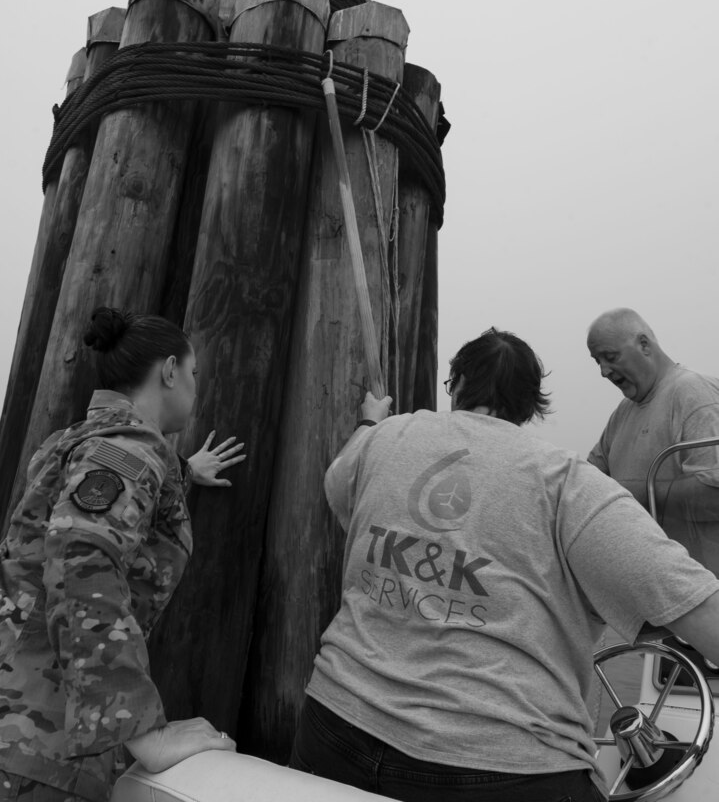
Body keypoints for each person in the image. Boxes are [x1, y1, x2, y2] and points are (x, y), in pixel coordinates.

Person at [290, 327, 719, 802]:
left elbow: (338, 487)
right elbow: (701, 612)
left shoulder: (389, 436)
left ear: (455, 383)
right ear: (533, 404)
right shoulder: (567, 484)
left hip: (334, 726)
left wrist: (371, 424)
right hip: (499, 767)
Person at [0, 307, 246, 802]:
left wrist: (177, 471)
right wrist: (137, 726)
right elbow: (79, 557)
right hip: (41, 748)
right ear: (170, 371)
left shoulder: (72, 441)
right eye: (194, 374)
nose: (196, 389)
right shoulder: (130, 450)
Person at [586, 307, 719, 572]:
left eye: (610, 357)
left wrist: (631, 496)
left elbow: (713, 496)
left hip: (704, 596)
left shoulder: (694, 393)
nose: (602, 370)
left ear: (644, 345)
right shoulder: (622, 414)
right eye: (596, 360)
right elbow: (587, 482)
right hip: (651, 596)